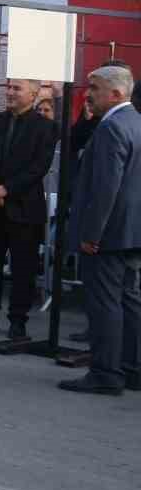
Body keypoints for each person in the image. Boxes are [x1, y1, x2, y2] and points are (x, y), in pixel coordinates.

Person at [62, 65, 141, 394]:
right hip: (131, 232)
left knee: (106, 303)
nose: (87, 93)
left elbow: (106, 187)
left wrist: (91, 235)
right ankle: (131, 368)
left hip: (108, 235)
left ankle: (106, 374)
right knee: (129, 300)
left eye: (94, 88)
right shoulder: (136, 121)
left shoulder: (112, 128)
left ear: (116, 93)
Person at [0, 78, 57, 337]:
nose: (11, 93)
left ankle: (18, 321)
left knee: (22, 267)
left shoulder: (46, 127)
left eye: (18, 89)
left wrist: (7, 189)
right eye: (10, 88)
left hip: (24, 207)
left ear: (34, 94)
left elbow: (39, 166)